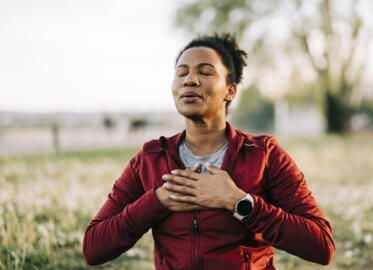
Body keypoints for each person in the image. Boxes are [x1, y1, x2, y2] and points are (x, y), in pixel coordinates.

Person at [82, 33, 335, 269]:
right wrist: (156, 201)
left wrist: (238, 201)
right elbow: (93, 249)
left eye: (205, 72)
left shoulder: (264, 155)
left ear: (230, 90)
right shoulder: (150, 159)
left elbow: (322, 245)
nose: (189, 80)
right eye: (181, 73)